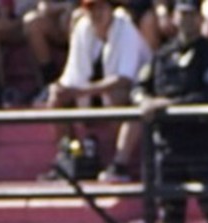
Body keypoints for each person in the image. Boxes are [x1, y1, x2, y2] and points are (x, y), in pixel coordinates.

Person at [134, 0, 208, 223]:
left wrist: (167, 104)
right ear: (175, 18)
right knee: (170, 211)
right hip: (168, 145)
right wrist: (144, 100)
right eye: (182, 15)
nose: (187, 20)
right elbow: (140, 87)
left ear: (200, 20)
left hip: (202, 144)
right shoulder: (163, 55)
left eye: (192, 15)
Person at [44, 0, 151, 182]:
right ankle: (70, 156)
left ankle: (119, 163)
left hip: (137, 93)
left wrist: (83, 92)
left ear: (111, 9)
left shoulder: (126, 29)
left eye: (101, 8)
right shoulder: (82, 28)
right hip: (92, 97)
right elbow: (73, 75)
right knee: (55, 98)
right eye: (91, 8)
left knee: (118, 93)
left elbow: (124, 78)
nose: (96, 13)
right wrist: (61, 88)